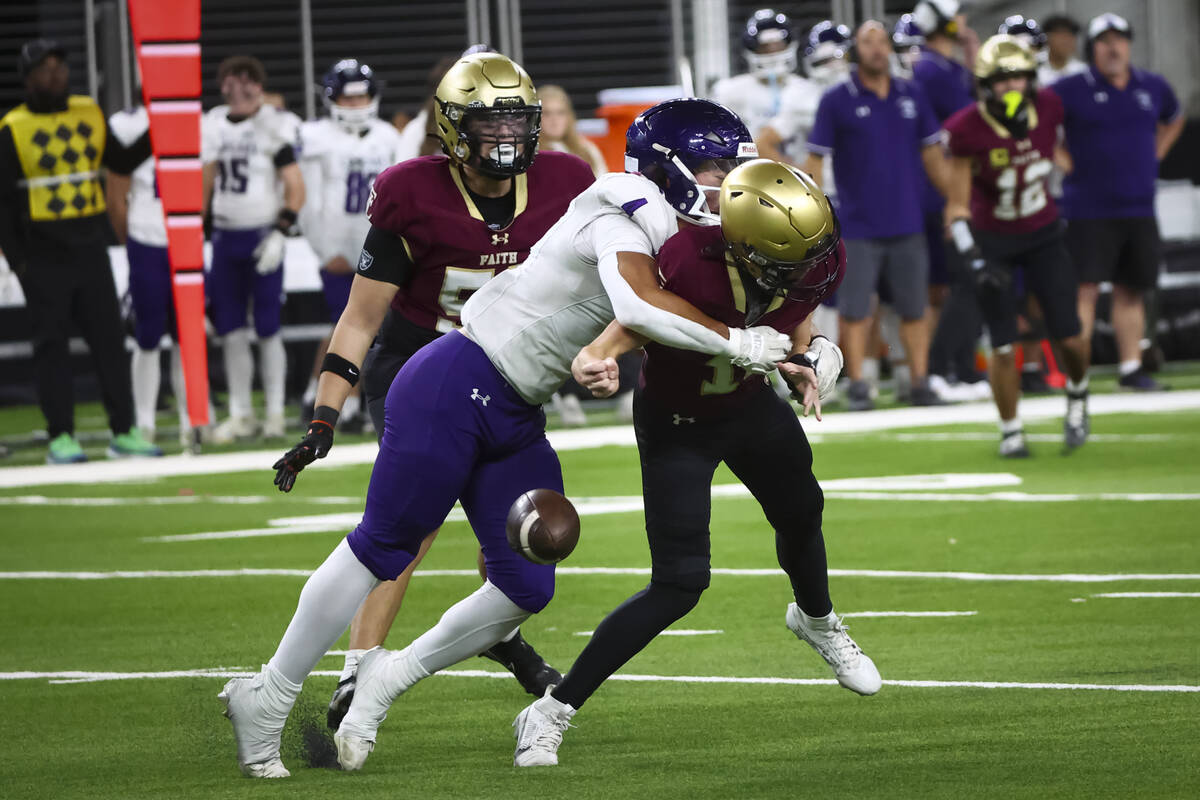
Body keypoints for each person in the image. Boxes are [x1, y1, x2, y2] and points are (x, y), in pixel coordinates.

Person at [223, 97, 783, 779]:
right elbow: (640, 302)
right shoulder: (626, 197)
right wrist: (747, 345)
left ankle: (386, 680)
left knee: (526, 580)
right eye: (711, 163)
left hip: (515, 407)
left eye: (732, 164)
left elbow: (657, 312)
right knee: (385, 543)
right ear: (666, 167)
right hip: (454, 381)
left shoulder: (681, 226)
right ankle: (270, 694)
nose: (726, 179)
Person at [511, 160, 880, 767]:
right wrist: (598, 355)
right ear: (743, 247)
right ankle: (552, 709)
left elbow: (793, 314)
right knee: (680, 584)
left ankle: (817, 619)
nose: (806, 269)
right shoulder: (688, 258)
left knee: (803, 510)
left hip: (749, 404)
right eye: (787, 260)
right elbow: (641, 315)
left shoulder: (812, 256)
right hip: (678, 422)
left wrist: (812, 356)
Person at [276, 53, 596, 734]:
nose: (508, 134)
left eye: (518, 118)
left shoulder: (565, 180)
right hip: (417, 372)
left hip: (508, 379)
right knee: (409, 531)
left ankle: (500, 636)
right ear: (452, 128)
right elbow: (361, 318)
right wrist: (324, 415)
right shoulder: (411, 192)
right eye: (491, 120)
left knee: (512, 536)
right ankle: (359, 671)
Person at [0, 39, 161, 462]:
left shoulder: (87, 111)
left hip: (90, 248)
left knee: (109, 342)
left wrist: (161, 125)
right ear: (28, 76)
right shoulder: (12, 127)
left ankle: (123, 431)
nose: (55, 74)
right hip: (42, 254)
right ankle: (60, 437)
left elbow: (122, 163)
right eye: (45, 68)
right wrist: (19, 263)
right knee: (50, 346)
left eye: (60, 66)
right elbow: (2, 203)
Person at [943, 35, 1090, 457]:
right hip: (994, 240)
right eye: (1002, 80)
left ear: (1032, 79)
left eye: (1019, 78)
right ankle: (1011, 430)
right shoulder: (967, 129)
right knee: (1003, 345)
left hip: (1044, 234)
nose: (1011, 88)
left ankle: (1078, 395)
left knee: (1071, 337)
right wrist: (974, 259)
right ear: (986, 85)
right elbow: (956, 207)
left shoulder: (1050, 107)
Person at [802, 20, 950, 410]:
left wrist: (954, 201)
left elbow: (933, 154)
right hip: (858, 223)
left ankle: (920, 382)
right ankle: (861, 385)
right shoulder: (837, 98)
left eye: (882, 41)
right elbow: (816, 159)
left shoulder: (911, 93)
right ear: (856, 50)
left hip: (908, 220)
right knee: (856, 308)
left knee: (915, 307)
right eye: (868, 42)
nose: (877, 49)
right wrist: (810, 212)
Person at [1053, 13, 1184, 391]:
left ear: (1128, 45)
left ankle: (1130, 367)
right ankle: (1078, 372)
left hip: (1139, 205)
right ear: (1093, 48)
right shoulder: (1071, 88)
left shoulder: (1152, 86)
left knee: (1132, 289)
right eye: (1105, 41)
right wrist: (1062, 159)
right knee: (1085, 288)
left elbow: (1174, 117)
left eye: (1119, 40)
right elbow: (1038, 123)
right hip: (1088, 207)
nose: (1113, 48)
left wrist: (1156, 152)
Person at [297, 59, 407, 430]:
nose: (357, 106)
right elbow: (309, 201)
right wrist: (325, 250)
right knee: (353, 324)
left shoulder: (387, 137)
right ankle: (341, 403)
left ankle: (318, 395)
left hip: (379, 245)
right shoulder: (316, 137)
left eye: (362, 98)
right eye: (349, 98)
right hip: (339, 249)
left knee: (360, 325)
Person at [201, 56, 305, 441]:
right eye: (232, 81)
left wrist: (281, 230)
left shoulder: (273, 125)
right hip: (225, 238)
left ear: (260, 87)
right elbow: (204, 182)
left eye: (248, 82)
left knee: (267, 327)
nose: (240, 90)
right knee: (229, 329)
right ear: (222, 85)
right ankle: (241, 412)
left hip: (262, 235)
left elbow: (295, 186)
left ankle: (275, 413)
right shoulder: (212, 124)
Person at [107, 99, 198, 447]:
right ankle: (144, 422)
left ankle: (191, 419)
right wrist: (129, 238)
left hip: (184, 238)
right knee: (146, 334)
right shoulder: (128, 123)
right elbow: (116, 193)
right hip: (147, 236)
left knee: (186, 336)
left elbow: (205, 178)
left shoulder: (197, 121)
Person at [908, 0, 983, 401]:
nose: (964, 21)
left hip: (952, 187)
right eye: (958, 15)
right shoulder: (931, 70)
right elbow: (964, 127)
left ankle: (962, 368)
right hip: (944, 190)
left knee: (966, 280)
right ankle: (943, 369)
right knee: (961, 281)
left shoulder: (947, 67)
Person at [757, 20, 851, 174]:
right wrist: (798, 178)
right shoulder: (803, 96)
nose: (834, 67)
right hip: (826, 190)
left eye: (839, 58)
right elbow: (762, 145)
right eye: (824, 61)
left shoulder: (871, 92)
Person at [710, 9, 815, 147]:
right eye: (765, 47)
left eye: (778, 46)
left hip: (799, 166)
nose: (772, 52)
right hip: (749, 164)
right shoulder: (730, 91)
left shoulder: (807, 91)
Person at [538, 85, 606, 176]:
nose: (554, 120)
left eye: (560, 113)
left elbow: (603, 185)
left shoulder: (588, 150)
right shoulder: (528, 155)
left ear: (569, 116)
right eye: (546, 113)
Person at [1038, 15, 1086, 85]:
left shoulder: (1082, 71)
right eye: (1062, 35)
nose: (1067, 41)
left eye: (1071, 35)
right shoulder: (1036, 69)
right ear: (1047, 37)